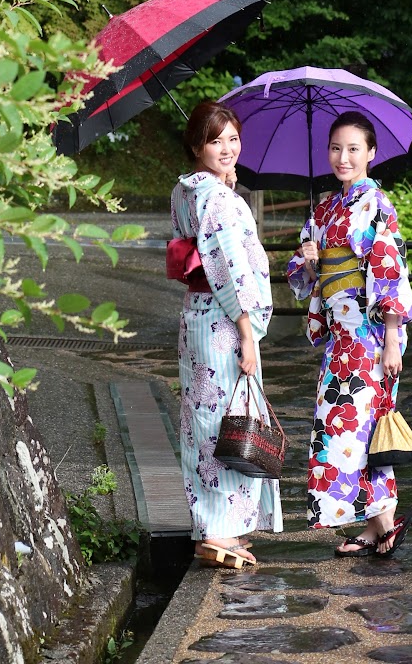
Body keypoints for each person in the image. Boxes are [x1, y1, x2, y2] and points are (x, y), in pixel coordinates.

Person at [287, 110, 412, 557]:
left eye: (353, 149)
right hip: (341, 339)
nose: (342, 157)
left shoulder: (377, 205)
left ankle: (385, 522)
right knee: (340, 431)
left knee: (360, 431)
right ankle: (372, 523)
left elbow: (389, 271)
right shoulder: (323, 209)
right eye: (335, 148)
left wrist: (389, 338)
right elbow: (305, 277)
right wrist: (309, 259)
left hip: (371, 334)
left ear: (371, 154)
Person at [170, 99, 283, 569]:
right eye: (215, 141)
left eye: (232, 138)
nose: (227, 148)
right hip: (222, 319)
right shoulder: (216, 198)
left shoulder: (188, 191)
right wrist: (247, 331)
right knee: (225, 420)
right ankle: (218, 529)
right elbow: (228, 269)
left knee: (207, 418)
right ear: (197, 145)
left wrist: (225, 185)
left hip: (197, 315)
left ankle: (217, 527)